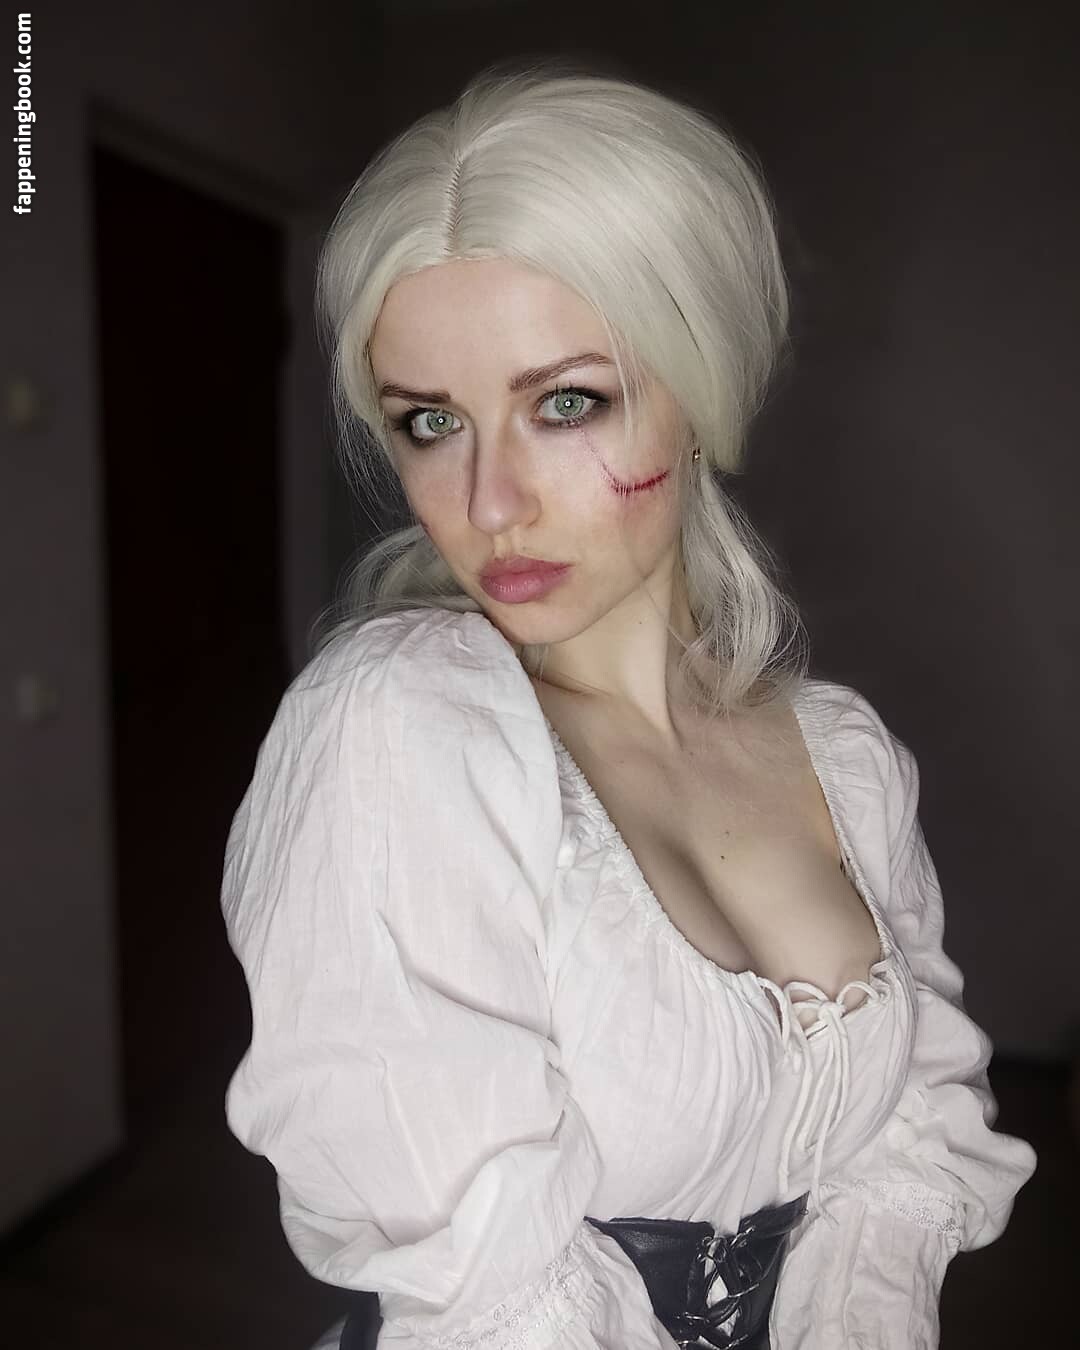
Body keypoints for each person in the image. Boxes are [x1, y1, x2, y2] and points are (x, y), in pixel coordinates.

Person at [220, 60, 1037, 1350]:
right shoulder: (400, 729)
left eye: (566, 404)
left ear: (697, 389)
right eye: (429, 423)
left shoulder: (844, 755)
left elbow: (911, 1147)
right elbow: (489, 1294)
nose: (490, 502)